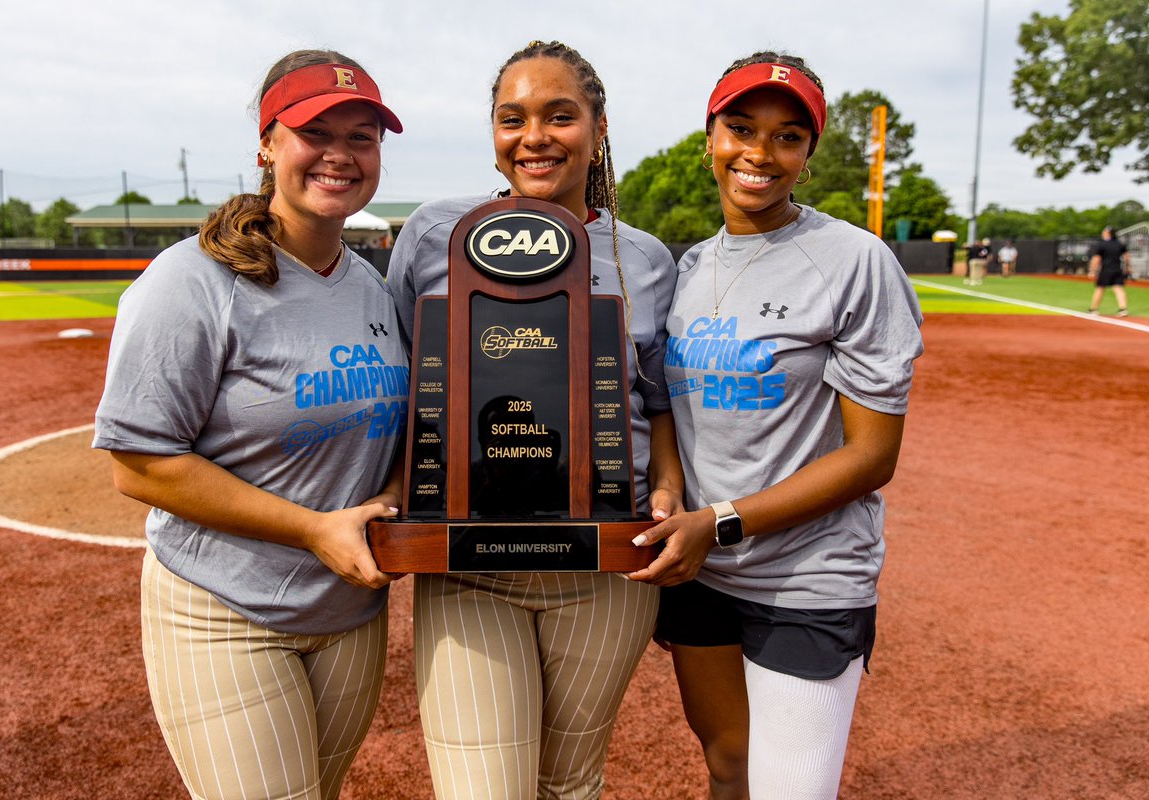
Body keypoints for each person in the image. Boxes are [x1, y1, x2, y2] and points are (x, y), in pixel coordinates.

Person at [92, 50, 408, 800]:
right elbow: (137, 463)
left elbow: (401, 430)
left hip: (349, 613)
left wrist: (395, 498)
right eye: (314, 132)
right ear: (267, 144)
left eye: (361, 137)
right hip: (225, 609)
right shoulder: (192, 279)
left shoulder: (372, 285)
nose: (339, 154)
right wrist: (313, 530)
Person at [386, 40, 683, 799]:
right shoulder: (433, 233)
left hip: (606, 564)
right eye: (512, 118)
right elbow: (402, 382)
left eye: (560, 116)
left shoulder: (646, 258)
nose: (535, 137)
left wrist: (668, 488)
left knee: (570, 784)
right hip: (467, 562)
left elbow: (657, 402)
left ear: (599, 128)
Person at [629, 51, 924, 800]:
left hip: (808, 575)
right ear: (710, 138)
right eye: (741, 128)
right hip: (703, 571)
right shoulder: (687, 268)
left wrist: (719, 522)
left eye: (788, 136)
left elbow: (872, 456)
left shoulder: (854, 260)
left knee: (789, 789)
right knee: (728, 766)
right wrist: (673, 493)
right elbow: (668, 411)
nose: (760, 153)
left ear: (808, 155)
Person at [1087, 226, 1131, 317]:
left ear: (1107, 233)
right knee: (1118, 288)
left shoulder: (1102, 244)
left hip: (1106, 270)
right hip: (1117, 269)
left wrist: (1092, 271)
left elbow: (1096, 259)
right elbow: (1127, 257)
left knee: (1100, 288)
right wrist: (1128, 268)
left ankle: (1093, 309)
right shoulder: (1120, 244)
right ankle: (1123, 309)